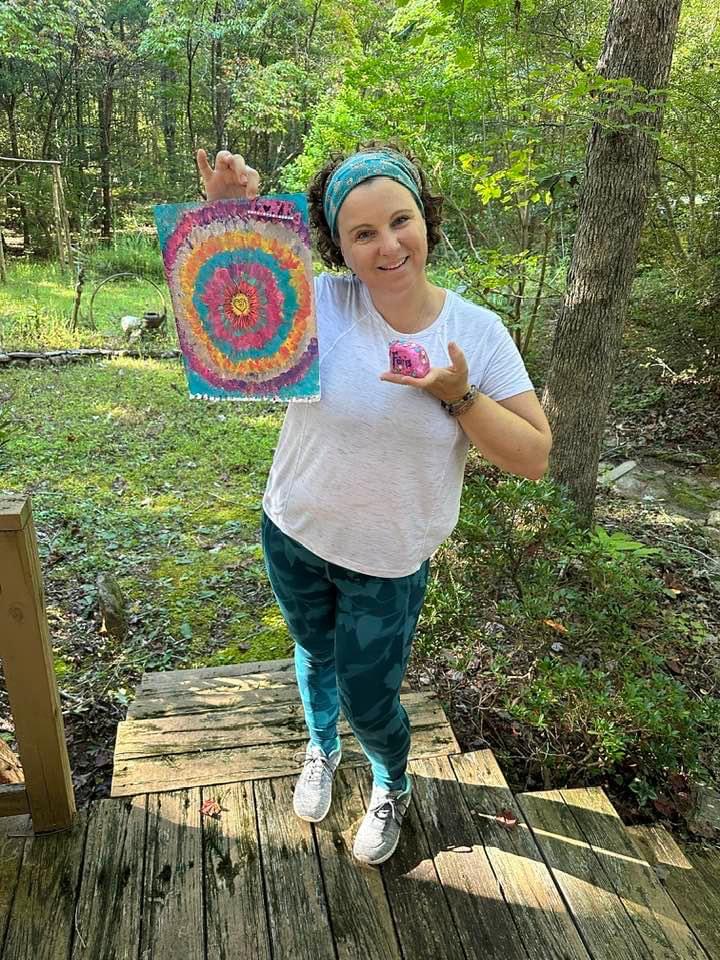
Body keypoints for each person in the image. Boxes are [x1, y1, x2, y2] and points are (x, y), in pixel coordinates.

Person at [196, 143, 552, 865]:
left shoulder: (477, 333)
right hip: (294, 530)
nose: (388, 245)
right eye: (363, 233)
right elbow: (230, 303)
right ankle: (321, 747)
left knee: (369, 695)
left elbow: (533, 456)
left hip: (388, 560)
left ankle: (392, 780)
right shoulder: (321, 302)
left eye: (400, 220)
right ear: (340, 246)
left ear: (426, 218)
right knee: (312, 653)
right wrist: (230, 213)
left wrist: (460, 396)